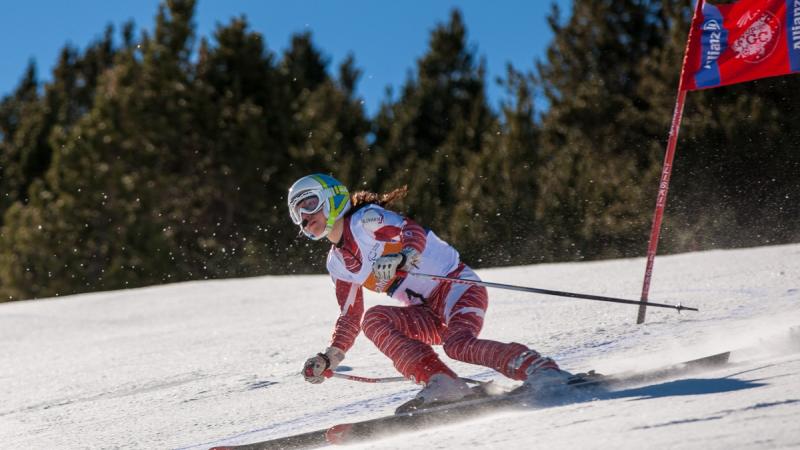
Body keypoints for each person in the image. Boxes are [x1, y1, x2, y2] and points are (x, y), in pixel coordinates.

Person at [288, 173, 571, 406]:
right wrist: (330, 357)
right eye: (297, 213)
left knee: (458, 345)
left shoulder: (366, 221)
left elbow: (412, 231)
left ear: (333, 197)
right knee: (374, 320)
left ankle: (540, 369)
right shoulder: (337, 263)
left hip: (457, 287)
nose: (305, 216)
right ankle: (443, 383)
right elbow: (350, 315)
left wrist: (404, 256)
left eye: (310, 204)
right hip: (426, 312)